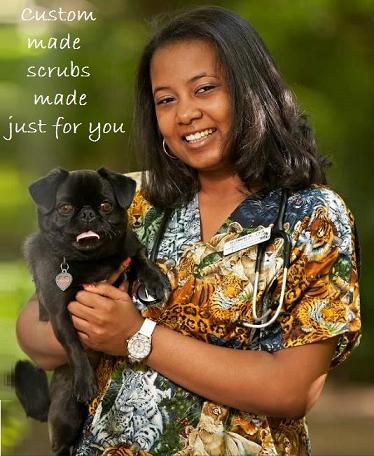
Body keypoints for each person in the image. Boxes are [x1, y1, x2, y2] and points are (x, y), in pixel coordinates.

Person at [16, 6, 361, 456]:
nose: (186, 114)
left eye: (204, 89)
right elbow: (35, 335)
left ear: (250, 90)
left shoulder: (311, 217)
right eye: (166, 99)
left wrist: (138, 337)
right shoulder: (131, 201)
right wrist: (84, 322)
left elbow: (291, 390)